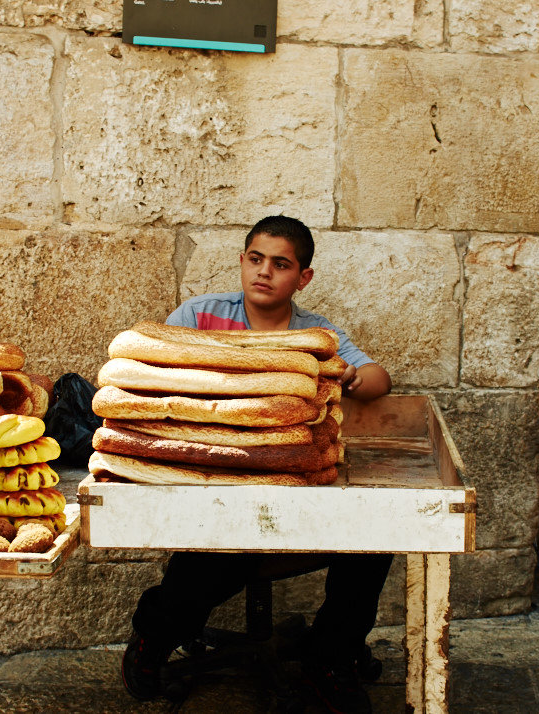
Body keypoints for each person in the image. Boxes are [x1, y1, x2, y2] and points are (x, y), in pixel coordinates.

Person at [121, 215, 393, 714]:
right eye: (255, 259)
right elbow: (148, 373)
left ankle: (329, 660)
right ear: (243, 262)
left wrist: (353, 377)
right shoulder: (200, 318)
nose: (264, 272)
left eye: (281, 264)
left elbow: (379, 378)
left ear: (302, 277)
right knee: (218, 558)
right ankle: (152, 637)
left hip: (290, 483)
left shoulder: (317, 334)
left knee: (374, 541)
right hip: (211, 482)